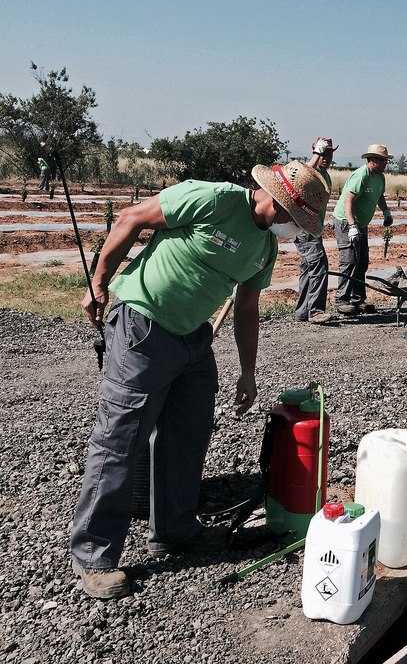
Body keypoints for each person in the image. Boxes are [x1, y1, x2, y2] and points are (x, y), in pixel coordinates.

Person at [70, 161, 329, 600]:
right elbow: (132, 217)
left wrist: (248, 371)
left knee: (188, 434)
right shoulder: (212, 198)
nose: (288, 224)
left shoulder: (263, 248)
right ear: (271, 195)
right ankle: (94, 554)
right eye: (288, 213)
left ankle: (173, 529)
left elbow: (247, 309)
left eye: (295, 220)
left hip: (193, 340)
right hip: (143, 322)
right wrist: (98, 282)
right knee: (121, 439)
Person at [333, 144, 393, 315]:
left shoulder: (380, 177)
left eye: (385, 160)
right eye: (381, 160)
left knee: (362, 261)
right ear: (371, 160)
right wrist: (351, 226)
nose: (384, 163)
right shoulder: (361, 175)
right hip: (346, 221)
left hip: (361, 224)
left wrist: (386, 211)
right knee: (349, 260)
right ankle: (341, 300)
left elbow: (379, 196)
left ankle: (357, 300)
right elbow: (348, 201)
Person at [294, 136, 337, 322]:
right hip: (304, 227)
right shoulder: (309, 172)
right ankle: (316, 311)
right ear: (316, 152)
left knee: (308, 267)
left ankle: (302, 311)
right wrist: (316, 154)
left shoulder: (325, 175)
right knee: (319, 264)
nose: (326, 157)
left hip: (314, 228)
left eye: (329, 153)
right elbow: (301, 173)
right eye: (323, 153)